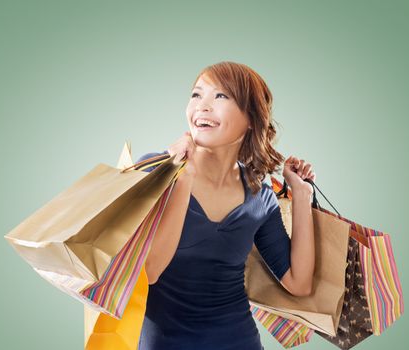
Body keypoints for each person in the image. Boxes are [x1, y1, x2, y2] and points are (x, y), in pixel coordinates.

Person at [135, 61, 316, 350]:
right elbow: (149, 272)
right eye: (197, 95)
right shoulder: (154, 171)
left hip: (239, 340)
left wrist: (301, 193)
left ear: (251, 119)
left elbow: (298, 283)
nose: (203, 107)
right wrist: (183, 176)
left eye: (220, 96)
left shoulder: (260, 195)